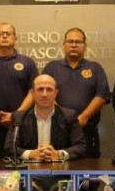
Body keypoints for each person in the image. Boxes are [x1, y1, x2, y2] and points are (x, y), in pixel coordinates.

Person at [42, 27, 111, 157]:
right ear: (64, 45)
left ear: (85, 46)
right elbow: (43, 94)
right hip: (58, 128)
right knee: (56, 163)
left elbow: (102, 95)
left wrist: (83, 117)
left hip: (87, 128)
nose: (74, 45)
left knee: (89, 165)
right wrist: (63, 119)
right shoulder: (52, 67)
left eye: (78, 42)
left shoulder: (95, 68)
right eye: (70, 41)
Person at [0, 22, 38, 159]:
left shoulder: (28, 62)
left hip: (21, 124)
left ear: (15, 38)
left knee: (22, 162)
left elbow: (33, 92)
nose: (4, 36)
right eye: (0, 33)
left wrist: (15, 116)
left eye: (8, 33)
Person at [5, 74, 86, 162]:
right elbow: (9, 147)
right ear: (32, 93)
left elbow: (80, 146)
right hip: (30, 168)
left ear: (56, 93)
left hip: (60, 168)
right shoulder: (19, 117)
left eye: (49, 89)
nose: (45, 94)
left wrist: (59, 154)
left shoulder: (69, 116)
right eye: (40, 89)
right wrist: (31, 154)